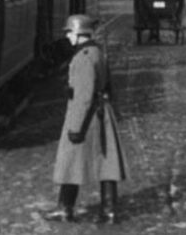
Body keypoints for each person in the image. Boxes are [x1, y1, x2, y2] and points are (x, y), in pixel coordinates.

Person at [45, 14, 127, 225]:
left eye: (70, 32)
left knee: (70, 160)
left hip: (86, 117)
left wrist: (75, 127)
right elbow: (109, 85)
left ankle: (65, 209)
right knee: (107, 164)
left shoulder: (82, 58)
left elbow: (82, 96)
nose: (68, 36)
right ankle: (109, 212)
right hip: (102, 114)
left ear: (80, 33)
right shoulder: (98, 52)